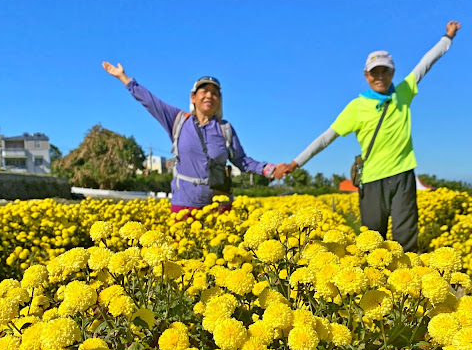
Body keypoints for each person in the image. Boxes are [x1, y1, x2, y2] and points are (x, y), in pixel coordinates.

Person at [275, 21, 461, 252]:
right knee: (372, 242)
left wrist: (448, 37)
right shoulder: (357, 107)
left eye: (385, 71)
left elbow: (426, 63)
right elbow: (326, 138)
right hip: (372, 179)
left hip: (403, 175)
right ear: (366, 76)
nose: (380, 76)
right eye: (375, 72)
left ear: (393, 73)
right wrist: (295, 163)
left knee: (406, 239)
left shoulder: (403, 93)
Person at [102, 62, 283, 216]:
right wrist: (124, 78)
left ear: (219, 100)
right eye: (204, 91)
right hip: (184, 204)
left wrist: (269, 170)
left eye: (215, 93)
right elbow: (150, 102)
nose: (209, 96)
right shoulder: (178, 120)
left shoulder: (225, 128)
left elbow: (241, 160)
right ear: (193, 97)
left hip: (218, 205)